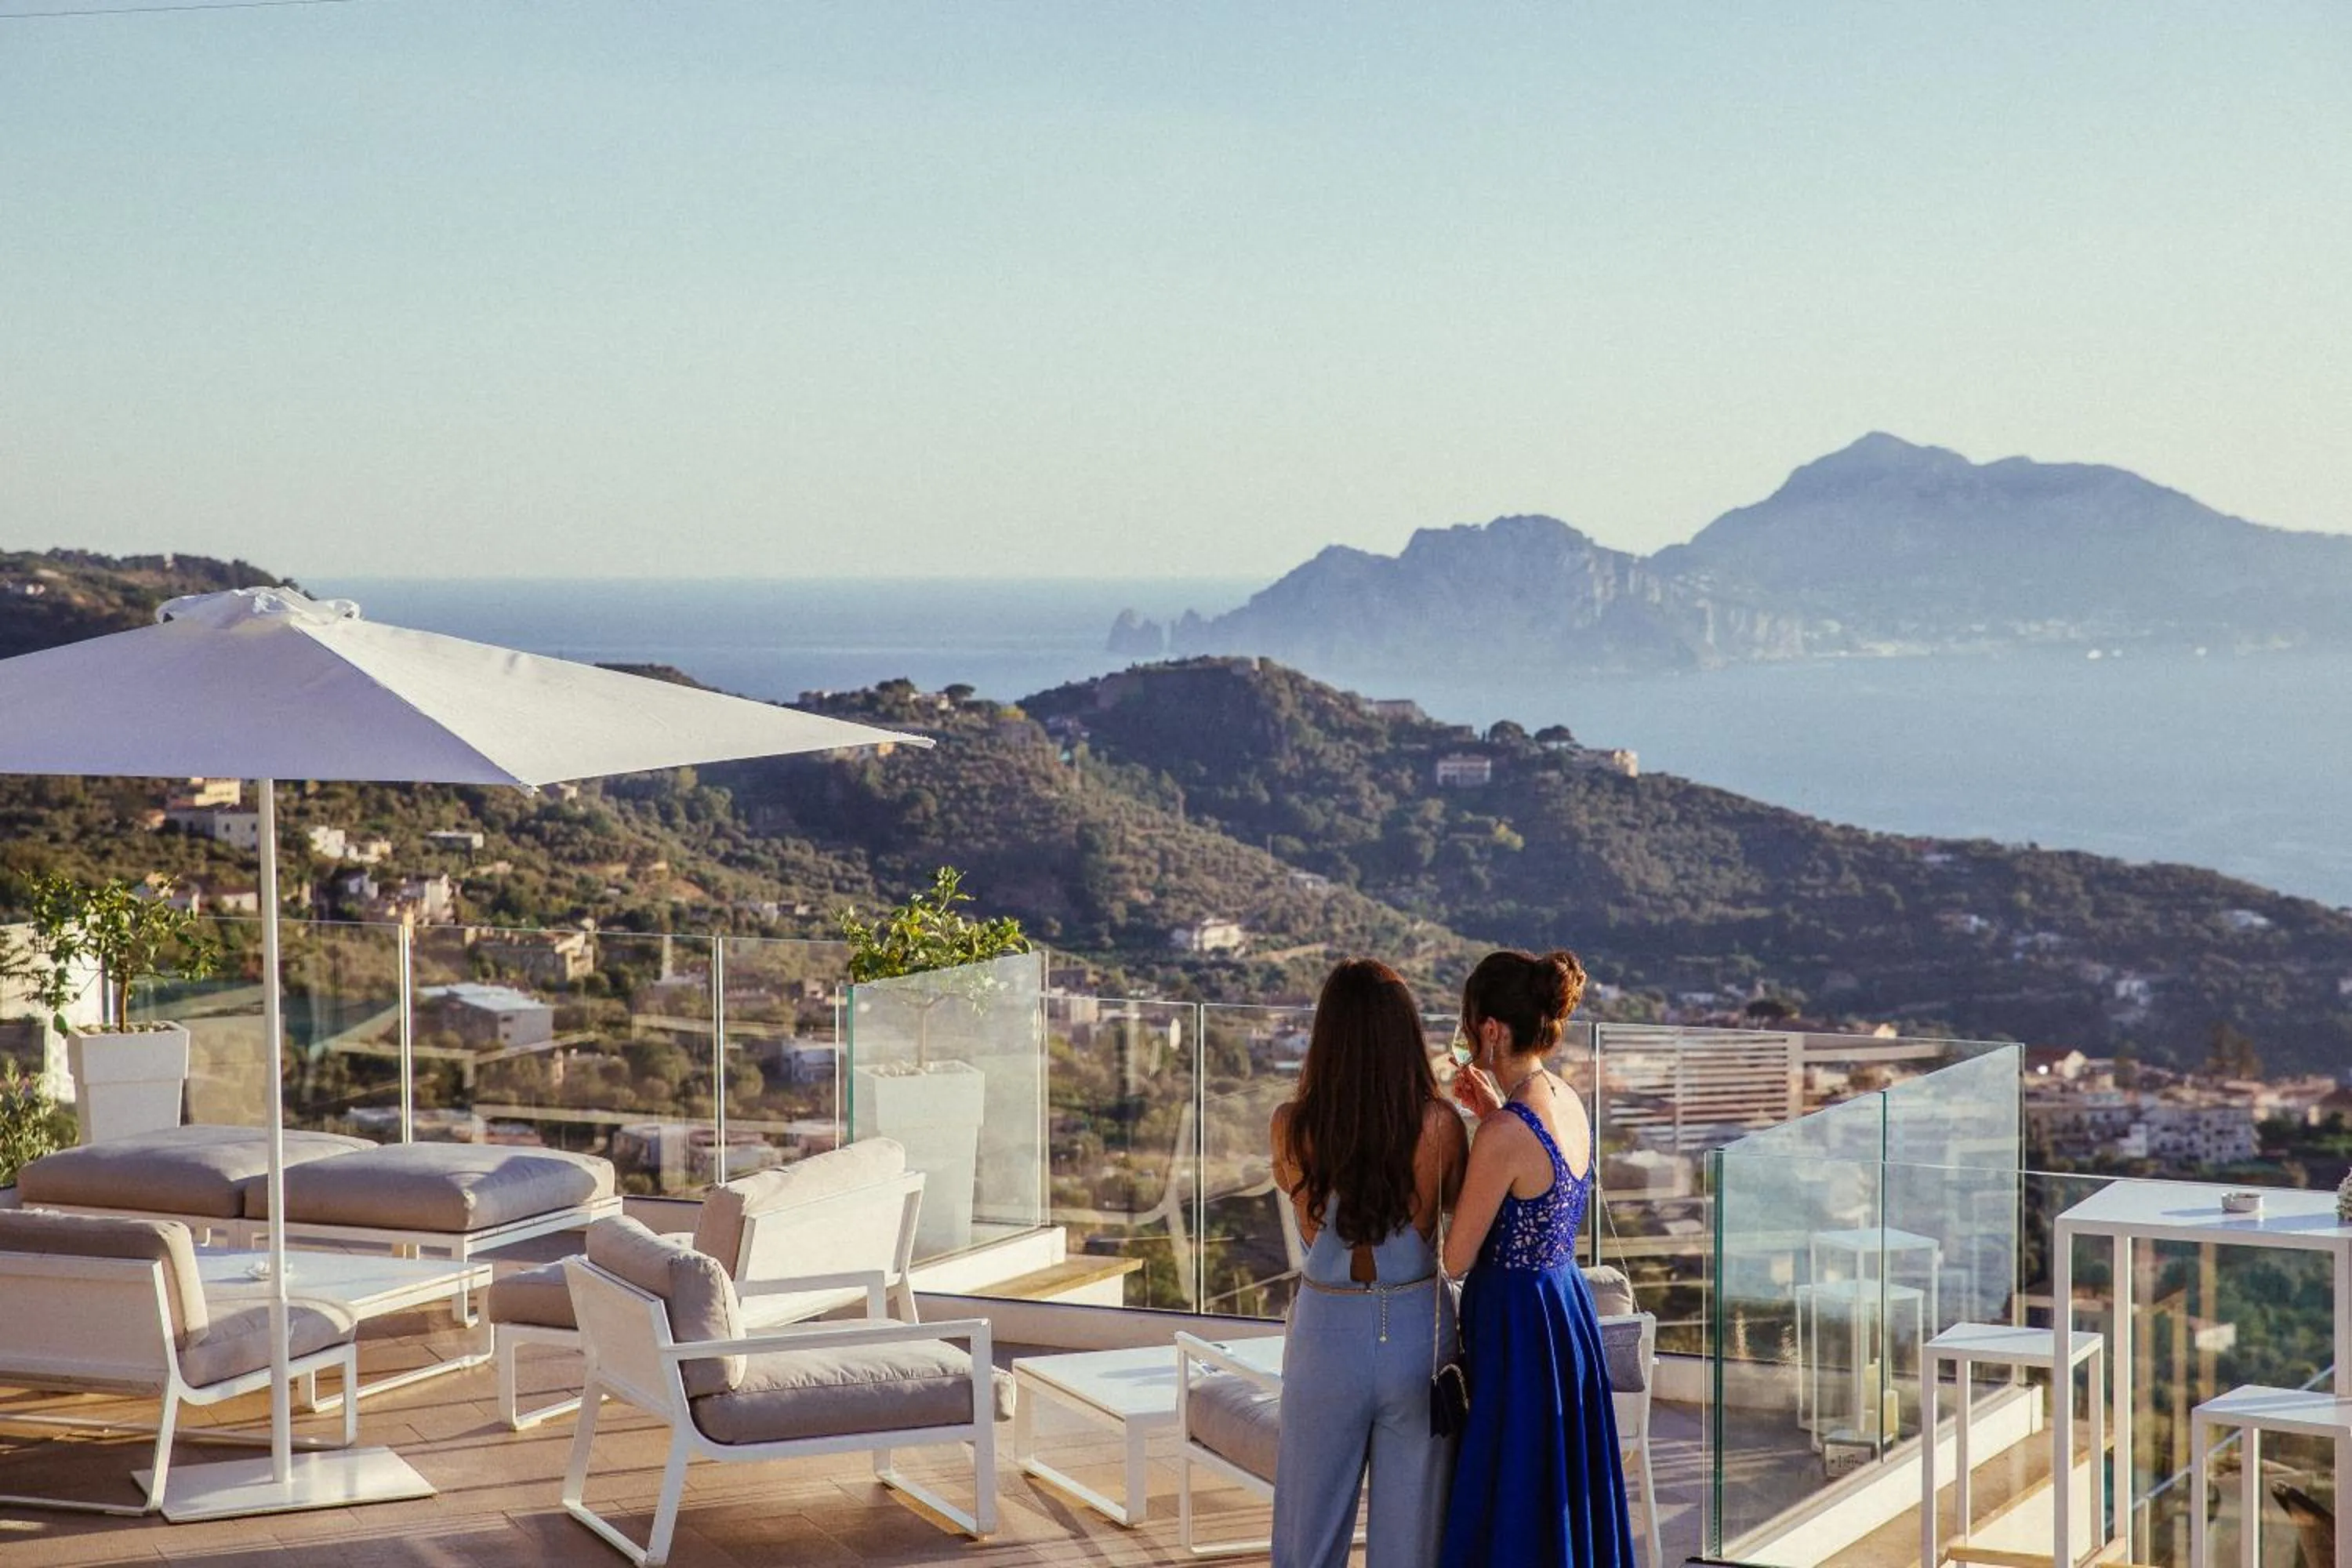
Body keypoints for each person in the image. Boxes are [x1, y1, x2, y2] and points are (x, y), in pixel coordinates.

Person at [1269, 957, 1469, 1568]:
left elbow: (1310, 1224)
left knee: (1309, 1533)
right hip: (1415, 1330)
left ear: (1325, 1037)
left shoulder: (1292, 1126)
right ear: (1404, 1033)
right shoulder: (1440, 1125)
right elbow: (1460, 1220)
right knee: (1412, 1542)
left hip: (1327, 1331)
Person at [1438, 948, 1635, 1568]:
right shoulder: (1565, 1099)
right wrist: (1492, 1111)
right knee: (1557, 1482)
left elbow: (1456, 1257)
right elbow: (1537, 1183)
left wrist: (1471, 1142)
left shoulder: (1502, 1134)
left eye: (1470, 1032)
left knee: (1515, 1482)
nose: (1469, 1043)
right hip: (1564, 1308)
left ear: (1492, 1030)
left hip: (1515, 1325)